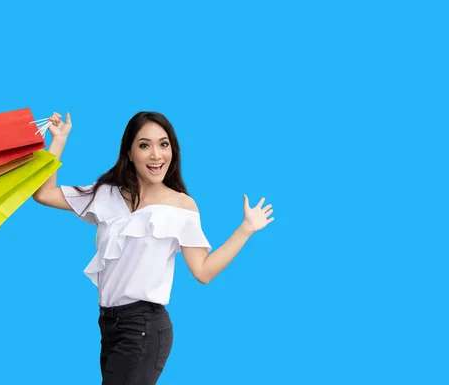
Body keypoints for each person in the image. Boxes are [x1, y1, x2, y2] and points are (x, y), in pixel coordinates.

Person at [32, 111, 274, 385]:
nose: (156, 155)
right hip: (109, 325)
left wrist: (246, 229)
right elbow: (43, 194)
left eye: (164, 144)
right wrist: (59, 140)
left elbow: (203, 271)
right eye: (144, 145)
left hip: (144, 328)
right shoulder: (106, 193)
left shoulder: (182, 206)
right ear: (130, 153)